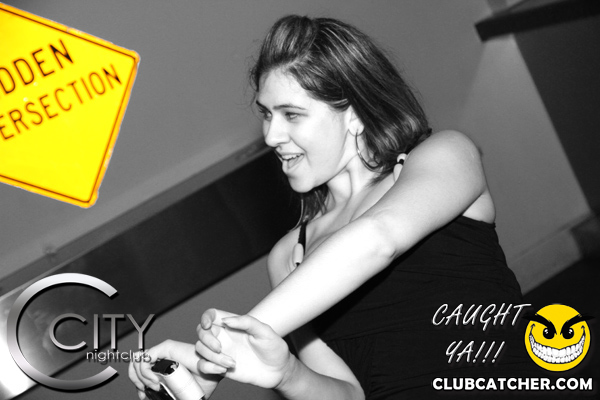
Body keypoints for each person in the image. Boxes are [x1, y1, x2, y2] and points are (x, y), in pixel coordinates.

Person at [130, 15, 533, 399]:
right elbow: (350, 393)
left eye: (291, 114)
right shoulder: (288, 256)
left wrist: (226, 345)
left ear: (354, 113)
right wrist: (286, 373)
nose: (270, 135)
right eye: (267, 114)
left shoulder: (444, 154)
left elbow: (379, 238)